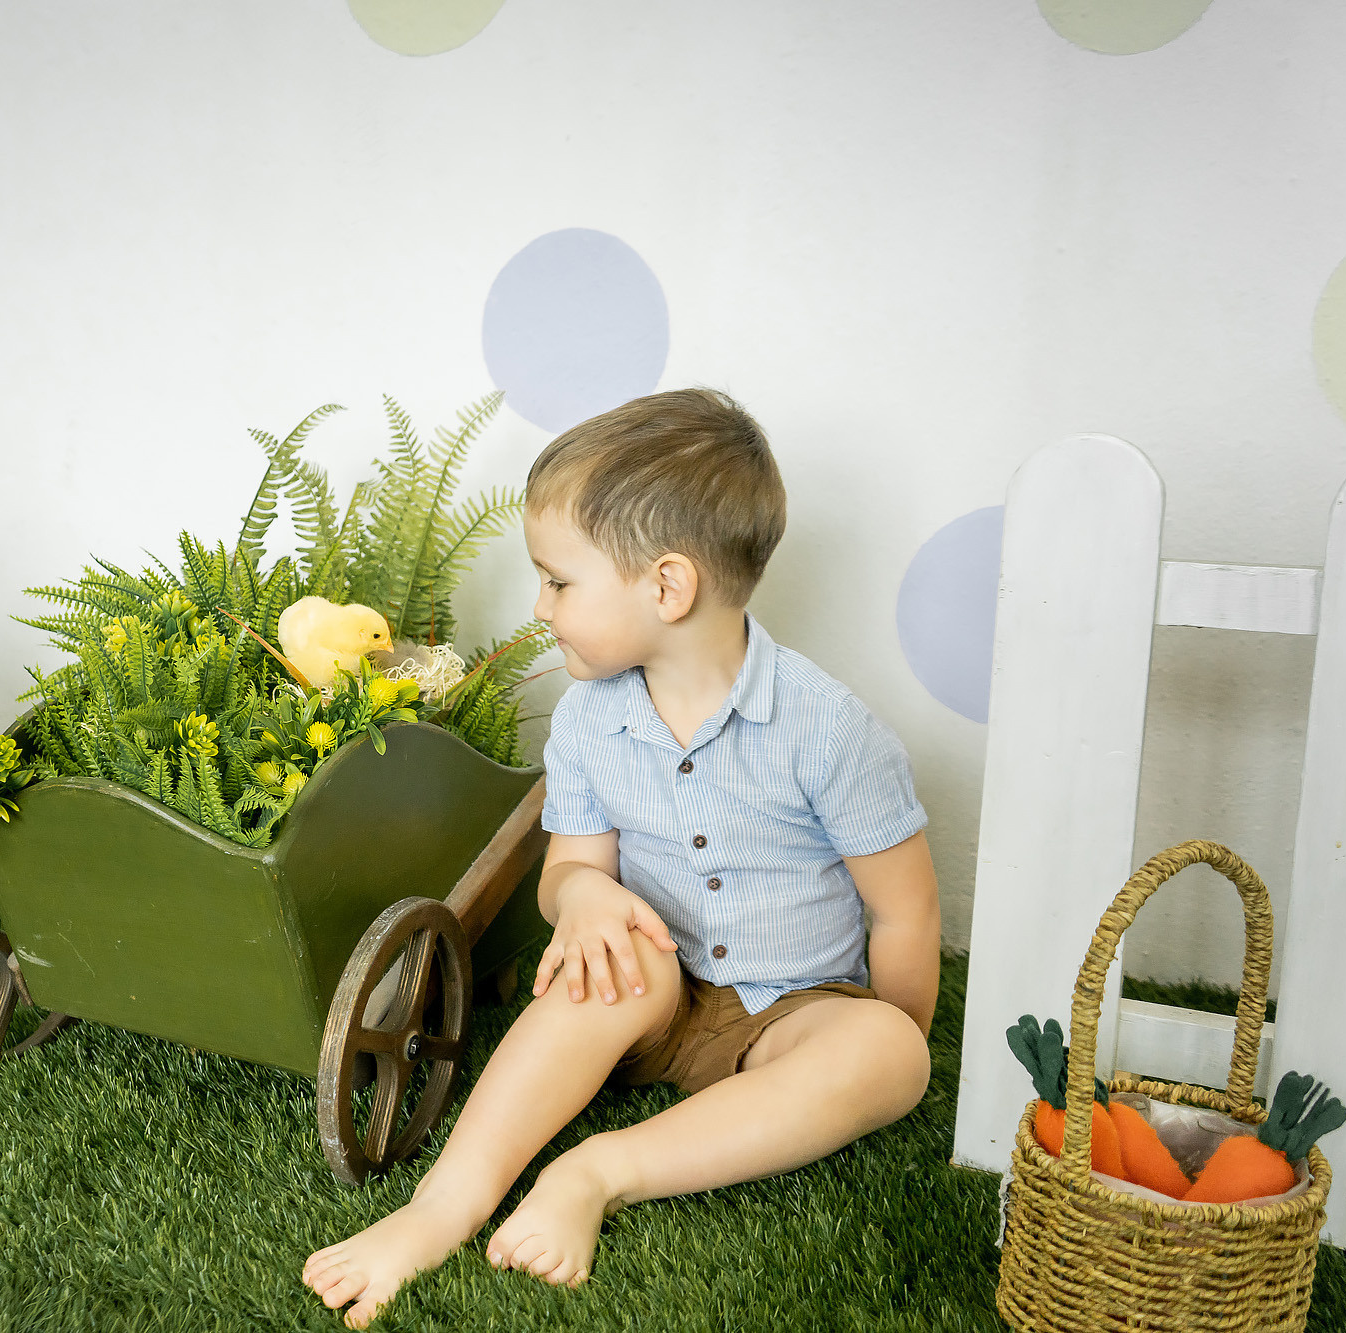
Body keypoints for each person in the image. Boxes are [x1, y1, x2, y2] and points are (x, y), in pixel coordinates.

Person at [302, 388, 940, 1328]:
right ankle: (443, 1204)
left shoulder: (830, 731)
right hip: (650, 986)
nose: (539, 606)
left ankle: (598, 1171)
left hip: (792, 1011)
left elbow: (903, 910)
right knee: (612, 953)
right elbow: (570, 869)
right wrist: (582, 898)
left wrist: (894, 1038)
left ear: (667, 588)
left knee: (886, 1051)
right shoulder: (589, 720)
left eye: (559, 582)